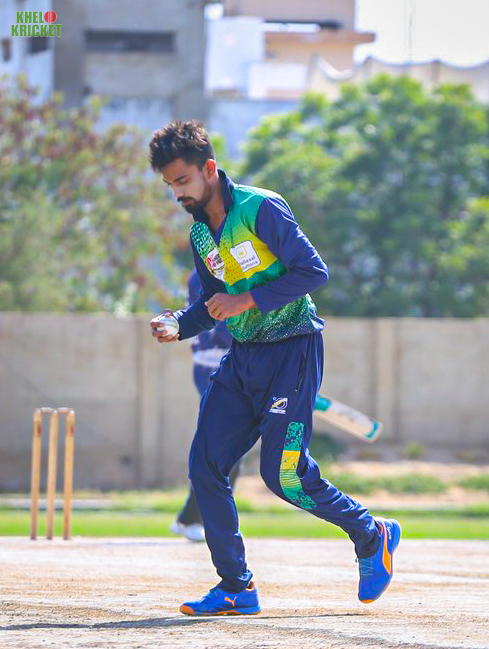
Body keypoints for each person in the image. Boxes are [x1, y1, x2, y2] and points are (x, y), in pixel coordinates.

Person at [149, 120, 401, 616]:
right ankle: (236, 586)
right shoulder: (200, 234)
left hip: (293, 351)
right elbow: (212, 304)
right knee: (205, 466)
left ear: (209, 169)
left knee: (283, 476)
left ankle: (371, 533)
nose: (177, 193)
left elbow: (313, 271)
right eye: (169, 185)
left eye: (182, 181)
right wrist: (179, 323)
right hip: (243, 357)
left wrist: (246, 300)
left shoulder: (260, 207)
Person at [169, 270, 239, 542]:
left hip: (233, 366)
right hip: (215, 367)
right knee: (223, 448)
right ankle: (199, 519)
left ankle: (191, 517)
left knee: (232, 451)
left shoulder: (228, 266)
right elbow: (221, 326)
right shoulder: (204, 273)